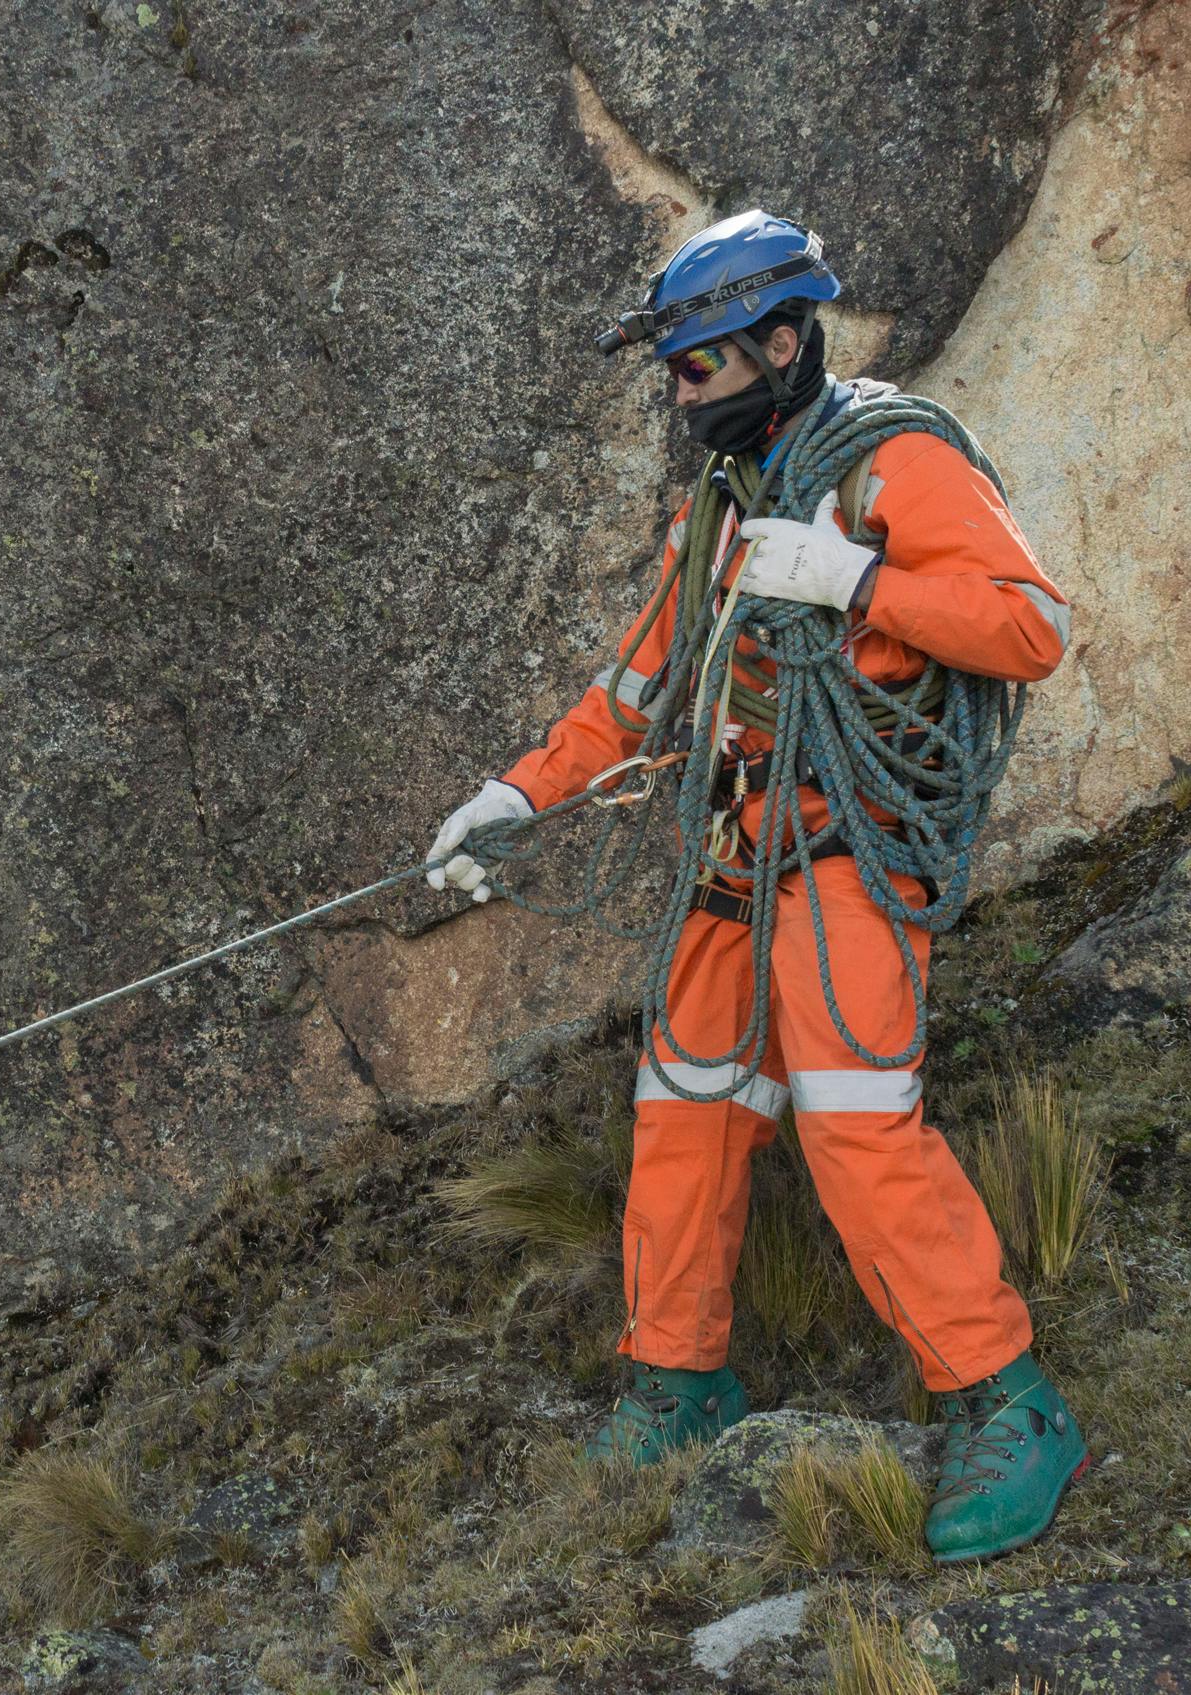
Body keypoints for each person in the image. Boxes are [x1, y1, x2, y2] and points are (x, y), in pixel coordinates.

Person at [422, 210, 1086, 1564]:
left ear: (781, 345)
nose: (680, 396)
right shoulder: (722, 503)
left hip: (847, 856)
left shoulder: (891, 460)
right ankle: (675, 1382)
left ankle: (1005, 1401)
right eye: (673, 370)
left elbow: (1029, 626)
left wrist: (857, 579)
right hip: (737, 852)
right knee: (683, 1113)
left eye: (699, 368)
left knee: (855, 1128)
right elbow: (642, 683)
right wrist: (516, 794)